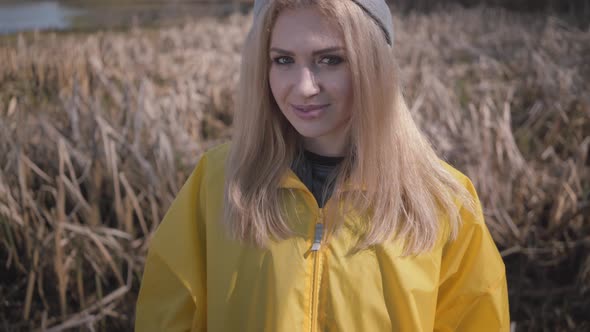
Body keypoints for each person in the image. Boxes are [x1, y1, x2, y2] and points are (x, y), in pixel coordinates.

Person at [135, 0, 510, 331]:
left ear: (373, 63)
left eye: (330, 60)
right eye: (283, 60)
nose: (303, 87)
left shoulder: (444, 203)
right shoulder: (217, 184)